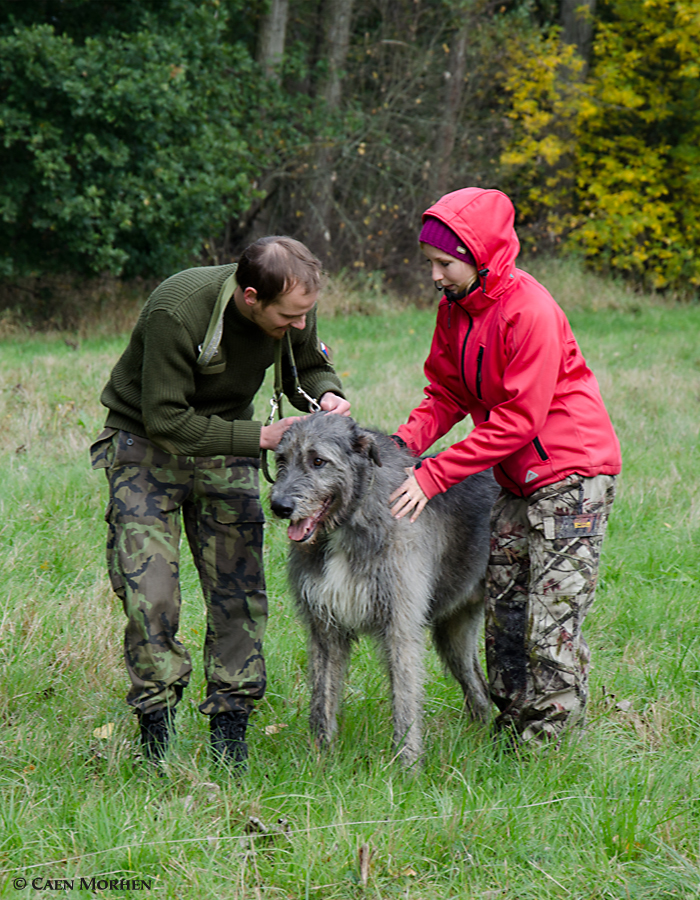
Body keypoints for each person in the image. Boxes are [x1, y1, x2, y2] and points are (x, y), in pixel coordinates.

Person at [90, 236, 350, 766]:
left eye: (306, 314)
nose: (299, 324)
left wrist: (327, 392)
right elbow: (165, 419)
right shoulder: (177, 310)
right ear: (251, 297)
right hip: (147, 447)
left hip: (226, 444)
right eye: (288, 316)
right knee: (151, 596)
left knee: (240, 592)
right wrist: (259, 438)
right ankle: (156, 736)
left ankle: (231, 735)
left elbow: (308, 366)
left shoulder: (294, 305)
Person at [389, 187, 621, 746]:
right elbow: (444, 392)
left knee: (550, 622)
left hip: (572, 477)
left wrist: (433, 473)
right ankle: (512, 734)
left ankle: (548, 756)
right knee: (505, 617)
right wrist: (398, 450)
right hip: (513, 481)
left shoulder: (530, 311)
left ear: (480, 253)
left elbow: (519, 420)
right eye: (431, 264)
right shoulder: (456, 310)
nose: (436, 276)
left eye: (444, 263)